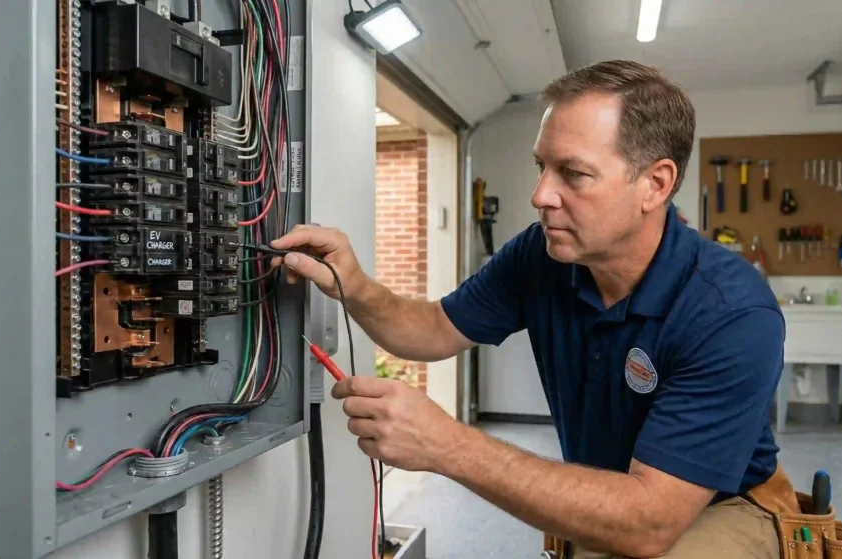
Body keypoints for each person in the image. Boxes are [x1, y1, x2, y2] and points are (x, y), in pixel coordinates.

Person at [269, 60, 785, 558]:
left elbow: (650, 521)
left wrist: (448, 445)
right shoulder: (540, 256)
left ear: (655, 183)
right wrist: (353, 283)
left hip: (719, 505)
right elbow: (431, 329)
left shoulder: (731, 313)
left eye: (574, 174)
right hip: (619, 490)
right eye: (542, 167)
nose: (541, 195)